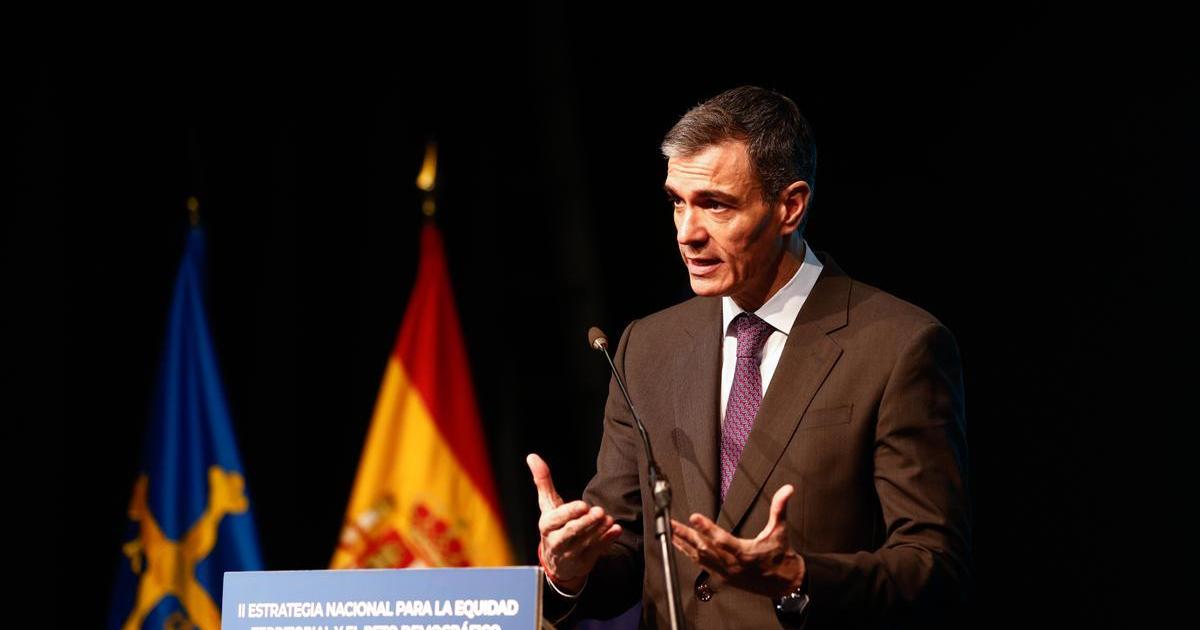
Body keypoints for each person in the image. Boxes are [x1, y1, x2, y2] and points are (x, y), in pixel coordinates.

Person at [527, 86, 971, 629]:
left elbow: (934, 567)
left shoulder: (898, 346)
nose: (687, 233)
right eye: (677, 202)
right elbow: (627, 549)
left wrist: (797, 576)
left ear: (790, 207)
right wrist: (570, 571)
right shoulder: (647, 347)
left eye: (715, 205)